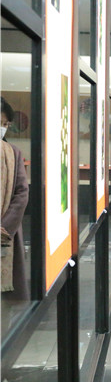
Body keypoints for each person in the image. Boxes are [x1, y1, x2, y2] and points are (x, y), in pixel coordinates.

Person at [1, 99, 29, 309]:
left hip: (5, 233)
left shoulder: (13, 153)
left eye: (5, 124)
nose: (2, 128)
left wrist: (4, 228)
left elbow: (21, 193)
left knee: (5, 306)